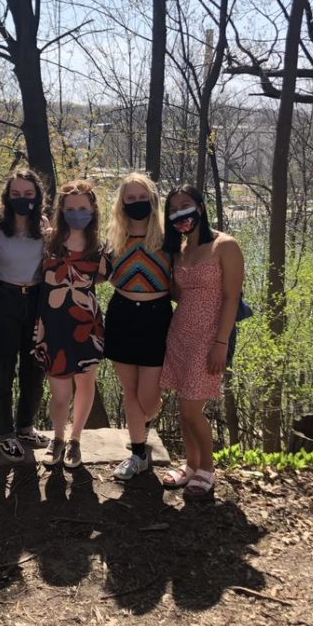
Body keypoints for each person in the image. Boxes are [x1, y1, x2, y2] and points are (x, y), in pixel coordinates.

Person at [158, 186, 244, 501]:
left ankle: (207, 467)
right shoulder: (180, 250)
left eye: (186, 205)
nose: (181, 214)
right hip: (180, 333)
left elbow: (232, 296)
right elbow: (179, 294)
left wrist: (221, 342)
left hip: (210, 336)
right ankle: (190, 464)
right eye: (174, 209)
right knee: (183, 405)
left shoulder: (225, 245)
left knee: (192, 407)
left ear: (200, 207)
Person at [33, 179, 110, 469]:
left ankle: (75, 440)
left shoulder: (99, 246)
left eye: (83, 207)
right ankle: (58, 438)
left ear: (92, 209)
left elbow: (101, 278)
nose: (77, 212)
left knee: (85, 384)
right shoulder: (48, 240)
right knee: (60, 393)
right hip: (52, 325)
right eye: (71, 208)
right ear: (61, 210)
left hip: (86, 325)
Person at [104, 173, 173, 481]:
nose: (136, 203)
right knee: (130, 392)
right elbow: (97, 272)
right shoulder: (113, 237)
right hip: (121, 315)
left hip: (157, 317)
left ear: (152, 200)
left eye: (141, 198)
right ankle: (137, 454)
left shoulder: (168, 237)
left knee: (149, 398)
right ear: (122, 203)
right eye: (130, 199)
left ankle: (141, 430)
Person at [0, 168, 50, 462]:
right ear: (7, 197)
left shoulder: (44, 224)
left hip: (36, 300)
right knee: (3, 371)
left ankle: (25, 427)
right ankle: (5, 433)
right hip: (3, 301)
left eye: (28, 194)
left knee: (34, 369)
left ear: (37, 196)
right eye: (16, 194)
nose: (22, 199)